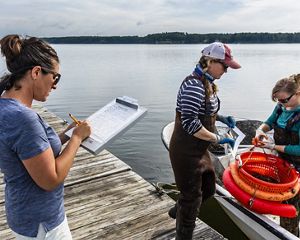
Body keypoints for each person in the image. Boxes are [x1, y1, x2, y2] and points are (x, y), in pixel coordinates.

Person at [0, 35, 91, 239]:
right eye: (55, 77)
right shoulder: (23, 119)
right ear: (36, 72)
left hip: (24, 214)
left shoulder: (5, 105)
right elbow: (51, 179)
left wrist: (66, 135)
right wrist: (77, 139)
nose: (55, 85)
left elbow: (30, 152)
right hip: (43, 225)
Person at [169, 42, 241, 239]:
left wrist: (222, 118)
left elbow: (205, 111)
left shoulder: (207, 82)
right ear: (210, 61)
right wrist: (218, 138)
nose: (226, 71)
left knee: (209, 188)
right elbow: (190, 123)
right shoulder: (193, 85)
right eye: (225, 66)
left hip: (199, 149)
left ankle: (176, 211)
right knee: (192, 198)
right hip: (185, 150)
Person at [254, 74, 300, 237]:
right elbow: (270, 121)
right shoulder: (281, 107)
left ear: (298, 93)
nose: (281, 103)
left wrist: (274, 146)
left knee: (290, 206)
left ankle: (289, 233)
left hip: (297, 166)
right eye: (278, 101)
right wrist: (261, 131)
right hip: (282, 161)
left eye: (284, 100)